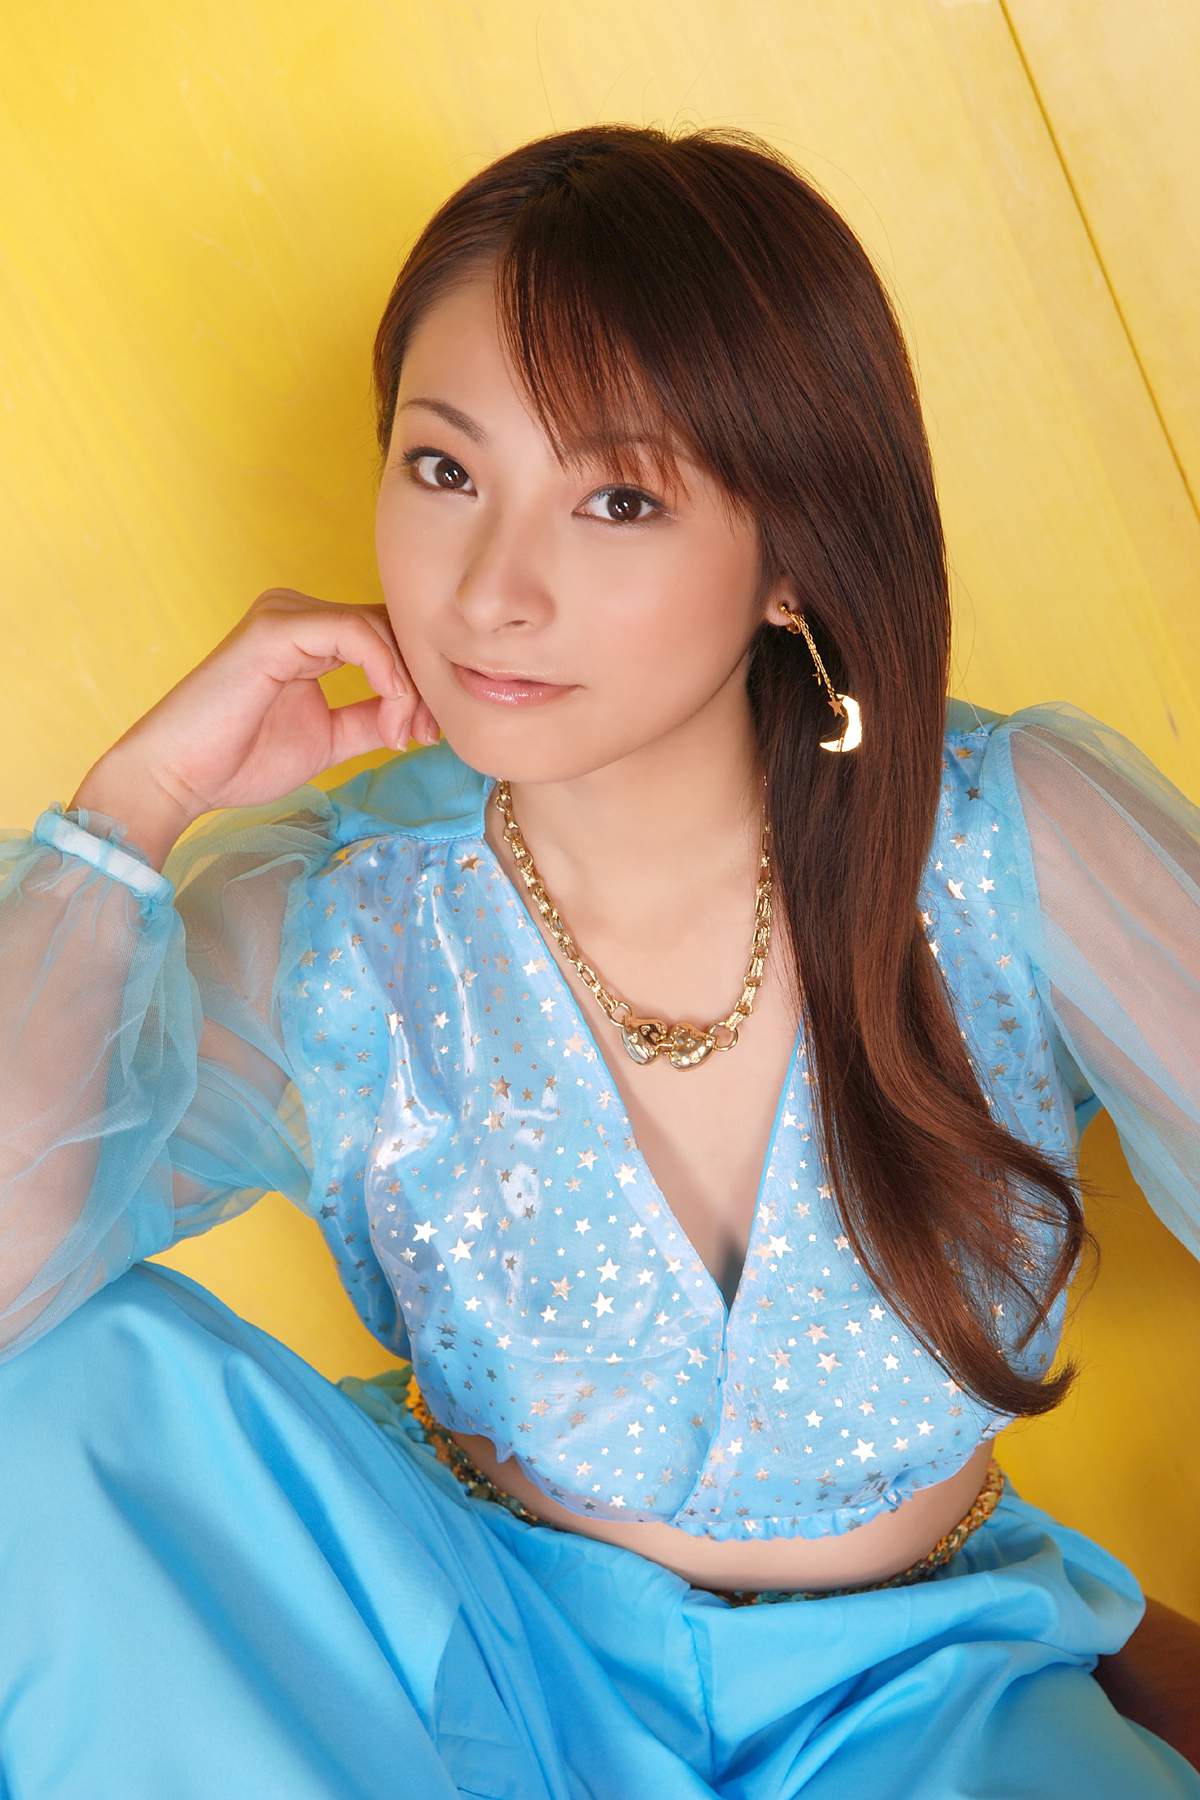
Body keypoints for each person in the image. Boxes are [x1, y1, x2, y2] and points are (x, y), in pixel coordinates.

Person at [1, 122, 1197, 1798]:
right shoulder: (337, 922)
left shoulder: (1007, 844)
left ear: (794, 553)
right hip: (465, 1673)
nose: (492, 591)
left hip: (927, 1696)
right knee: (48, 1399)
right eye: (444, 470)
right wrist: (135, 803)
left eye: (618, 498)